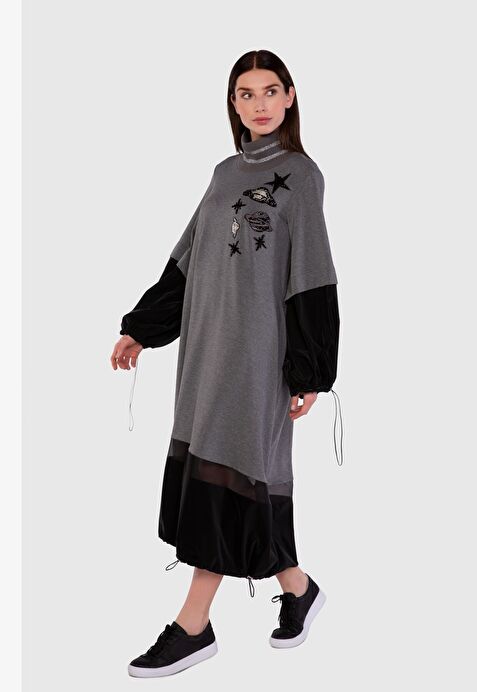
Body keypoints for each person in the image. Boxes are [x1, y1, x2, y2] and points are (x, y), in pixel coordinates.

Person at [110, 49, 343, 678]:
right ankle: (298, 589)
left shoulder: (302, 175)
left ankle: (194, 625)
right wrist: (141, 328)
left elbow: (312, 271)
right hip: (206, 350)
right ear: (233, 104)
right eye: (246, 94)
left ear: (290, 97)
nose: (259, 104)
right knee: (233, 471)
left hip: (258, 358)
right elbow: (188, 257)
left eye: (270, 91)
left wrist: (311, 368)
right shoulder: (223, 173)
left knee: (227, 471)